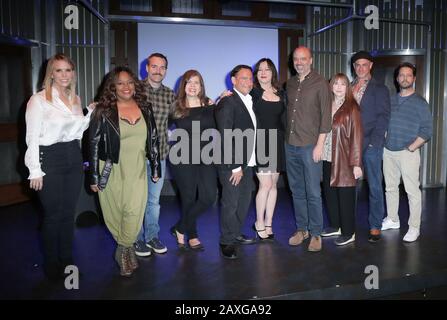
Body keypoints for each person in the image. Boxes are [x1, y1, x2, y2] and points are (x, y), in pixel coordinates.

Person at [24, 53, 92, 280]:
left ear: (73, 73)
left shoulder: (76, 99)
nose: (64, 75)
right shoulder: (39, 100)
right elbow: (31, 137)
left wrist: (89, 114)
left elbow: (77, 132)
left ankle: (67, 259)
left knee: (68, 213)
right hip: (49, 157)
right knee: (53, 215)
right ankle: (51, 263)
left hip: (72, 155)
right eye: (59, 70)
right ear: (51, 73)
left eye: (68, 70)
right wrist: (35, 169)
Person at [89, 66, 161, 277]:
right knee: (114, 213)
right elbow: (92, 145)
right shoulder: (103, 110)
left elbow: (153, 140)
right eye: (120, 83)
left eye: (130, 82)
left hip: (137, 168)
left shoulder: (145, 107)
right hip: (110, 169)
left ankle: (122, 248)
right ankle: (127, 249)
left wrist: (155, 166)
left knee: (134, 212)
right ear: (113, 86)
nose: (126, 87)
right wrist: (94, 176)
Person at [286, 46, 332, 252]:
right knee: (297, 191)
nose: (299, 62)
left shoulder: (321, 82)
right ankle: (301, 229)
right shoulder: (290, 83)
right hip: (290, 145)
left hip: (310, 146)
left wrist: (320, 145)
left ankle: (316, 233)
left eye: (303, 59)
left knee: (313, 192)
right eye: (296, 59)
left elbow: (326, 117)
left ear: (311, 60)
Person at [381, 62, 433, 242]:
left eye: (408, 75)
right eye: (401, 75)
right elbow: (385, 122)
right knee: (390, 188)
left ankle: (414, 227)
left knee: (412, 191)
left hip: (408, 153)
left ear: (414, 78)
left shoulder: (420, 103)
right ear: (397, 79)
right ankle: (393, 219)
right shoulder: (391, 99)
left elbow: (427, 130)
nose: (404, 78)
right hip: (388, 151)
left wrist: (411, 147)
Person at [169, 70, 218, 250]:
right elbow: (160, 127)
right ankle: (193, 235)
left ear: (201, 86)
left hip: (205, 156)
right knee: (188, 198)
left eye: (196, 82)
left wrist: (221, 100)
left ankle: (180, 228)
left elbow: (220, 122)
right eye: (189, 82)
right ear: (183, 85)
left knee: (208, 197)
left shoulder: (208, 105)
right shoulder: (176, 106)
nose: (192, 85)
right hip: (182, 157)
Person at [135, 53, 175, 256]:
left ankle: (151, 237)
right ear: (147, 68)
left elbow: (183, 114)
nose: (158, 70)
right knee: (136, 199)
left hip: (159, 155)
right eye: (154, 66)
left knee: (153, 201)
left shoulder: (170, 94)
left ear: (166, 70)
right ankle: (135, 239)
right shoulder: (135, 90)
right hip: (136, 155)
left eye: (162, 67)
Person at [215, 65, 257, 259]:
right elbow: (225, 135)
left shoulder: (249, 100)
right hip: (233, 164)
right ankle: (227, 241)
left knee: (244, 200)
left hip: (247, 162)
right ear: (233, 80)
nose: (248, 82)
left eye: (250, 78)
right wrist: (235, 166)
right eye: (243, 78)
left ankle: (235, 231)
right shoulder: (228, 102)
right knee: (231, 203)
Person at [351, 51, 391, 242]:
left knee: (374, 185)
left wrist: (376, 142)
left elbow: (384, 117)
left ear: (371, 66)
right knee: (349, 185)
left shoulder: (380, 89)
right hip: (350, 144)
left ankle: (375, 225)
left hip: (371, 144)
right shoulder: (349, 87)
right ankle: (348, 223)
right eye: (357, 65)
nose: (360, 68)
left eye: (364, 64)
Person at [321, 73, 363, 246]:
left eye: (343, 84)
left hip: (344, 158)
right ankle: (336, 225)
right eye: (335, 83)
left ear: (348, 88)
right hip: (326, 156)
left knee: (345, 195)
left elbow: (357, 136)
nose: (338, 87)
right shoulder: (327, 105)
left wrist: (356, 163)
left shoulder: (352, 107)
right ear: (331, 85)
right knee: (330, 194)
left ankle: (348, 232)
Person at [251, 58, 286, 240]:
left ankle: (269, 222)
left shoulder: (281, 93)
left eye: (267, 69)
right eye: (260, 70)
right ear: (256, 74)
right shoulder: (252, 92)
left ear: (273, 72)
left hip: (277, 141)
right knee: (264, 185)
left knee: (273, 185)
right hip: (261, 141)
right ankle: (258, 222)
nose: (263, 73)